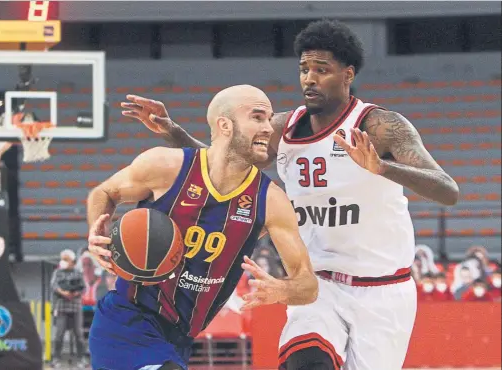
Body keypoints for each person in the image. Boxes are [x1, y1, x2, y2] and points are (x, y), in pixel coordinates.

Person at [122, 19, 460, 370]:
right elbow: (221, 164)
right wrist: (173, 131)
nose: (309, 79)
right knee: (305, 362)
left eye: (321, 69)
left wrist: (382, 168)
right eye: (304, 69)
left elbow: (447, 189)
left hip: (383, 289)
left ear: (348, 74)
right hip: (317, 285)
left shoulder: (379, 126)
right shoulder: (283, 128)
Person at [87, 85, 319, 370]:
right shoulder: (165, 166)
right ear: (224, 125)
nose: (269, 129)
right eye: (257, 117)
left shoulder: (270, 201)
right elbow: (105, 192)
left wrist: (281, 290)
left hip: (180, 338)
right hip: (126, 321)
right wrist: (96, 232)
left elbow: (307, 284)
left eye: (269, 120)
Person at [49, 249, 87, 368]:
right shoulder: (57, 272)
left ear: (72, 261)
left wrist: (74, 293)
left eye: (66, 259)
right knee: (58, 335)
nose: (63, 261)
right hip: (61, 308)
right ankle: (56, 359)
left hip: (75, 308)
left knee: (79, 335)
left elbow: (83, 288)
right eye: (62, 259)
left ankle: (82, 359)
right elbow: (54, 285)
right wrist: (63, 292)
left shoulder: (78, 273)